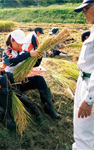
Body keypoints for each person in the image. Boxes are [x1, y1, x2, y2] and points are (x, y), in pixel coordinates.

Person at [3, 29, 61, 121]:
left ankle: (49, 108)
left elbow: (35, 65)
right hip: (11, 84)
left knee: (39, 79)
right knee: (18, 93)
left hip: (21, 81)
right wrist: (29, 54)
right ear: (12, 40)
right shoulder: (7, 52)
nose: (20, 45)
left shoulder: (22, 52)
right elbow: (11, 61)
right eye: (18, 43)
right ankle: (34, 108)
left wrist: (38, 58)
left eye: (21, 43)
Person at [73, 1, 94, 149]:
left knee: (83, 134)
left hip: (90, 85)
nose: (83, 12)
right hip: (85, 81)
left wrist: (89, 99)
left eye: (86, 8)